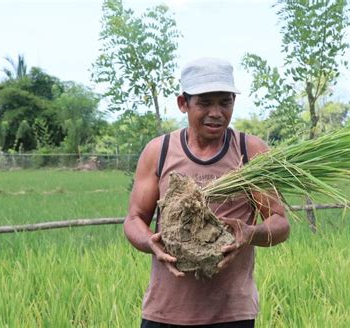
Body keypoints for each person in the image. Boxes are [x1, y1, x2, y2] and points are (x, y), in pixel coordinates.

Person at [124, 57, 290, 327]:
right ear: (183, 103)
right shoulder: (159, 151)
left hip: (232, 314)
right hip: (165, 312)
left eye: (225, 102)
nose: (216, 112)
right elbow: (134, 219)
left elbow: (280, 224)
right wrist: (150, 243)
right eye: (204, 102)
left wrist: (250, 233)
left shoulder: (252, 152)